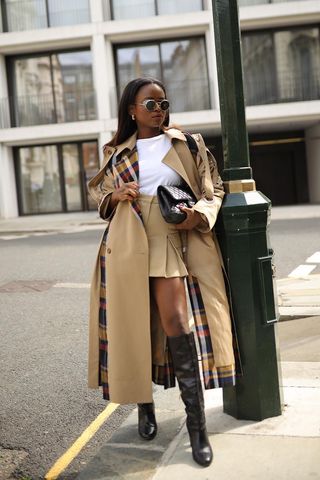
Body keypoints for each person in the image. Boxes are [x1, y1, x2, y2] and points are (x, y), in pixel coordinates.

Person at [88, 77, 239, 468]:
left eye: (163, 103)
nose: (159, 110)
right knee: (136, 322)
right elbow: (97, 192)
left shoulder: (188, 143)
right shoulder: (117, 151)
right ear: (132, 110)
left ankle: (196, 427)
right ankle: (145, 404)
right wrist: (113, 196)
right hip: (127, 240)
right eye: (150, 104)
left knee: (174, 321)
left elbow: (215, 188)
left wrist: (199, 215)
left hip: (174, 236)